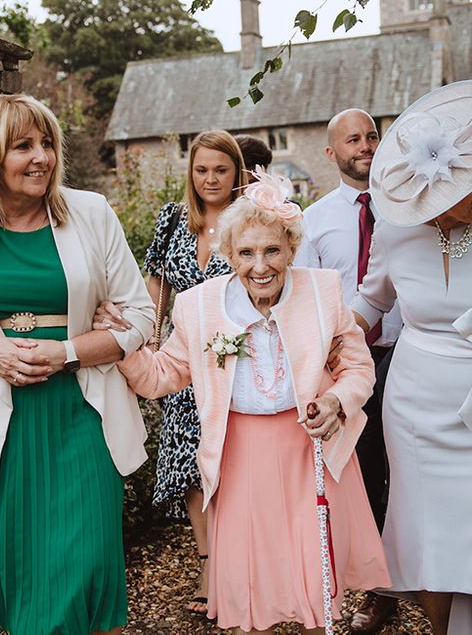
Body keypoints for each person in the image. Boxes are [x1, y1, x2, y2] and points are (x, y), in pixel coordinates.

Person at [0, 93, 155, 635]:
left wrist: (67, 351)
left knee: (85, 573)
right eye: (23, 146)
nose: (41, 156)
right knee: (17, 584)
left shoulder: (90, 213)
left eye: (47, 143)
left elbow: (141, 318)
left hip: (81, 422)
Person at [113, 169, 391, 634]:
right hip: (238, 452)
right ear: (229, 255)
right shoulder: (198, 307)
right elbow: (161, 375)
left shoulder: (322, 293)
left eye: (271, 251)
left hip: (309, 450)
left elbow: (359, 368)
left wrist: (337, 402)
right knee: (250, 580)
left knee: (313, 578)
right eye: (246, 253)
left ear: (290, 251)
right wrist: (120, 343)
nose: (260, 266)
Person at [100, 130, 247, 615]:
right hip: (183, 363)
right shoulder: (172, 219)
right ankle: (208, 564)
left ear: (236, 172)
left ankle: (241, 565)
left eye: (220, 170)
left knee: (230, 466)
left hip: (235, 363)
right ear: (191, 171)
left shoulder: (249, 219)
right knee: (189, 470)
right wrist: (145, 336)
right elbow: (155, 284)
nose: (210, 179)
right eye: (201, 169)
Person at [351, 80, 472, 635]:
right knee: (424, 529)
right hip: (415, 400)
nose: (440, 215)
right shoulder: (396, 227)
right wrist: (322, 339)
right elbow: (371, 297)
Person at [295, 108, 403, 632]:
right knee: (367, 475)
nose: (365, 145)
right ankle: (380, 589)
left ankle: (430, 572)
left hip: (411, 355)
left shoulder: (412, 210)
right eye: (353, 139)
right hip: (350, 369)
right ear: (331, 153)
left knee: (413, 471)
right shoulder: (312, 221)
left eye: (372, 136)